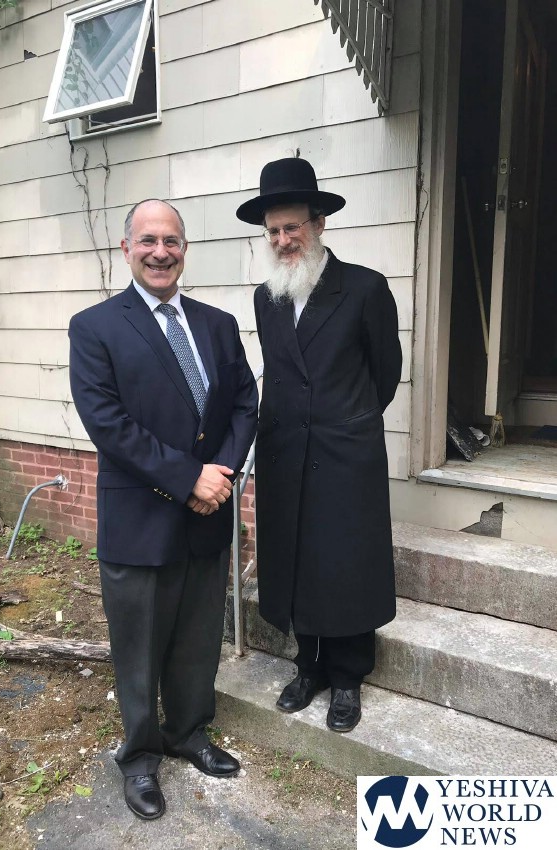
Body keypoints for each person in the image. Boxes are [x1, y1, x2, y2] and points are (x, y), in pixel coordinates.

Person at [68, 199, 258, 820]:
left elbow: (244, 402)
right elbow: (108, 424)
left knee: (198, 638)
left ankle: (189, 732)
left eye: (171, 241)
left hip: (208, 514)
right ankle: (140, 757)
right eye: (147, 240)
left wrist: (220, 473)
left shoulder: (217, 324)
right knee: (140, 648)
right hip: (141, 519)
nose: (160, 252)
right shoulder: (95, 327)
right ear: (126, 249)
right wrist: (188, 478)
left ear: (184, 250)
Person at [236, 158, 402, 733]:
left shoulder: (365, 288)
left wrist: (346, 423)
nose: (283, 240)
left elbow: (384, 375)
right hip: (284, 452)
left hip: (345, 453)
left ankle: (348, 675)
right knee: (297, 560)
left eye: (293, 227)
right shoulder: (266, 298)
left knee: (345, 563)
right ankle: (307, 666)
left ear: (319, 223)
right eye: (273, 231)